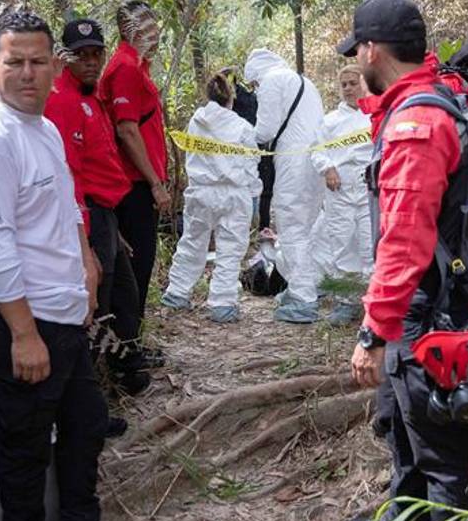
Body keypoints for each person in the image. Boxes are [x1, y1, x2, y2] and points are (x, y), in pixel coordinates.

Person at [0, 11, 143, 521]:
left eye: (38, 62)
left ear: (53, 66)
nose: (27, 73)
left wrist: (87, 261)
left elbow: (63, 208)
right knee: (26, 441)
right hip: (18, 321)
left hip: (62, 316)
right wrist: (23, 333)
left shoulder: (45, 130)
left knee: (85, 423)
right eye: (15, 62)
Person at [337, 0, 468, 521]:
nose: (356, 62)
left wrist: (372, 332)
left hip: (435, 316)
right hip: (420, 308)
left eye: (358, 51)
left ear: (372, 51)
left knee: (444, 454)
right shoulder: (410, 106)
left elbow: (405, 242)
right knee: (402, 424)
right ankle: (405, 516)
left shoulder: (416, 128)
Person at [43, 17, 151, 398]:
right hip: (87, 216)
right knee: (96, 304)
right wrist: (85, 243)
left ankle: (125, 370)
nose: (90, 62)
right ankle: (87, 401)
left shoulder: (91, 98)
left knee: (124, 294)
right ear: (65, 57)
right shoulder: (63, 101)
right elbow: (69, 175)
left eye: (95, 54)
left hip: (106, 214)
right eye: (81, 55)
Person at [160, 73, 261, 323]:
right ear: (232, 97)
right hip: (233, 193)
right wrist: (254, 193)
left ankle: (177, 292)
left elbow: (190, 156)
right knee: (230, 248)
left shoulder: (196, 121)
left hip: (200, 190)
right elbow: (251, 164)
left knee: (193, 241)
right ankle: (222, 304)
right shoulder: (242, 127)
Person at [242, 48, 324, 323]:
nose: (254, 89)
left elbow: (265, 130)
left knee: (292, 228)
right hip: (316, 162)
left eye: (253, 84)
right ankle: (304, 286)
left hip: (293, 162)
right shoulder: (303, 81)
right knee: (308, 227)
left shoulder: (271, 82)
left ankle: (303, 299)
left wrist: (242, 136)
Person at [99, 1, 169, 320]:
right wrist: (155, 183)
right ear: (131, 29)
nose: (154, 33)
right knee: (135, 266)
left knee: (140, 265)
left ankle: (133, 339)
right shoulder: (125, 67)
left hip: (141, 182)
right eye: (148, 26)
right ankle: (128, 347)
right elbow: (126, 130)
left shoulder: (138, 64)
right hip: (134, 184)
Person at [309, 64, 373, 324]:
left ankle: (373, 304)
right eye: (343, 84)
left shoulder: (376, 115)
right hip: (340, 189)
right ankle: (346, 303)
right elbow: (316, 151)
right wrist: (328, 169)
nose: (347, 88)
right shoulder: (330, 121)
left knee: (371, 245)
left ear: (364, 83)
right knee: (343, 244)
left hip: (369, 187)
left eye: (353, 83)